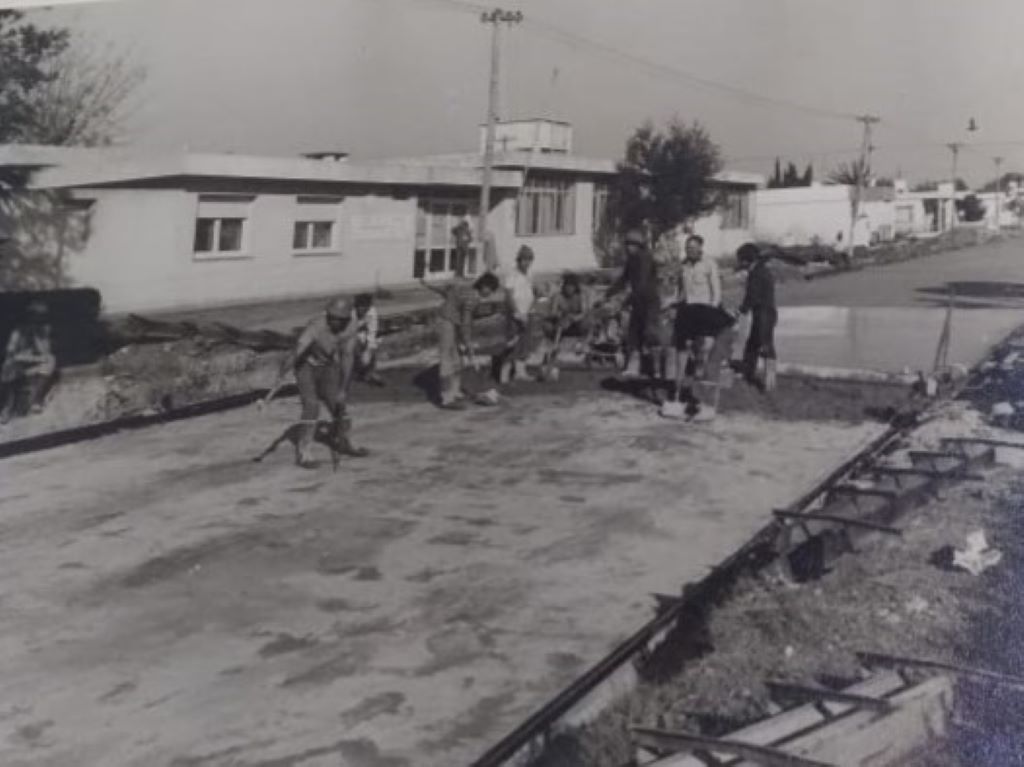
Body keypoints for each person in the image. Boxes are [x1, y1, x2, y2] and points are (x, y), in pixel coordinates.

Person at [268, 296, 362, 469]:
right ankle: (304, 453)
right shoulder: (316, 325)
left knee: (338, 404)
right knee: (311, 406)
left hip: (328, 366)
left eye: (338, 319)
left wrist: (343, 388)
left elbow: (347, 357)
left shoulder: (351, 327)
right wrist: (282, 373)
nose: (333, 321)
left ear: (346, 319)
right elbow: (297, 351)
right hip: (306, 366)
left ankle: (343, 442)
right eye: (331, 317)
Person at [427, 272, 502, 410]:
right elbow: (466, 321)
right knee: (447, 359)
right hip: (445, 321)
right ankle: (446, 399)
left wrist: (465, 341)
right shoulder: (472, 297)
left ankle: (455, 392)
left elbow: (447, 293)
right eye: (490, 290)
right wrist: (467, 342)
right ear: (484, 286)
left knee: (457, 360)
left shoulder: (467, 289)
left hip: (451, 321)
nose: (490, 294)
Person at [606, 228, 661, 378]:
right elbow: (624, 280)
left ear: (639, 245)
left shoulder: (645, 258)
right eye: (627, 244)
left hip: (649, 301)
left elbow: (642, 283)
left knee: (650, 333)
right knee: (633, 335)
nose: (629, 248)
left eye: (632, 244)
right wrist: (608, 293)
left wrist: (627, 299)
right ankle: (634, 366)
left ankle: (656, 367)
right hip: (638, 301)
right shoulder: (631, 261)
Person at [0, 300, 57, 423]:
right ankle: (6, 408)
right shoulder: (18, 332)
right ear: (29, 316)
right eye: (35, 316)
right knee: (8, 366)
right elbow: (11, 353)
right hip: (17, 366)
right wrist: (31, 357)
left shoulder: (43, 331)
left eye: (41, 317)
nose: (38, 320)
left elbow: (46, 354)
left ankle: (36, 401)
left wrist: (37, 336)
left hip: (32, 366)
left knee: (51, 361)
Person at [736, 242, 779, 392]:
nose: (740, 264)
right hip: (767, 312)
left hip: (763, 313)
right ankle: (748, 373)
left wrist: (742, 309)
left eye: (740, 260)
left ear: (746, 260)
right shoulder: (763, 270)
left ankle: (769, 381)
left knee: (765, 345)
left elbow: (752, 296)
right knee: (753, 344)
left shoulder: (756, 273)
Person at [540, 272, 593, 376]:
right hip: (561, 323)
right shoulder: (558, 296)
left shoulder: (580, 296)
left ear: (575, 287)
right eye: (567, 286)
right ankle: (551, 358)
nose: (569, 288)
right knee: (549, 326)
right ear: (564, 286)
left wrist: (573, 318)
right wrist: (561, 316)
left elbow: (584, 312)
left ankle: (583, 345)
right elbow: (553, 312)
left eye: (571, 286)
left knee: (589, 321)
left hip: (577, 323)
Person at [500, 245, 538, 383]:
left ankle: (520, 372)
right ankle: (503, 374)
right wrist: (517, 312)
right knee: (512, 343)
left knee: (525, 343)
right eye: (524, 260)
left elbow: (534, 293)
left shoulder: (530, 274)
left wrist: (529, 312)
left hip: (528, 313)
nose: (526, 263)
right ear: (518, 260)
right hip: (515, 314)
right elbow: (509, 296)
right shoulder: (512, 274)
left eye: (529, 260)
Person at [353, 293, 385, 386]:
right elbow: (349, 331)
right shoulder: (351, 312)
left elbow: (372, 332)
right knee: (354, 344)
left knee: (374, 343)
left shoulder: (372, 311)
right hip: (349, 336)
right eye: (360, 307)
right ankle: (354, 372)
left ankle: (369, 372)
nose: (363, 310)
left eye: (366, 307)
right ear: (356, 306)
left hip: (363, 335)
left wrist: (368, 351)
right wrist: (362, 322)